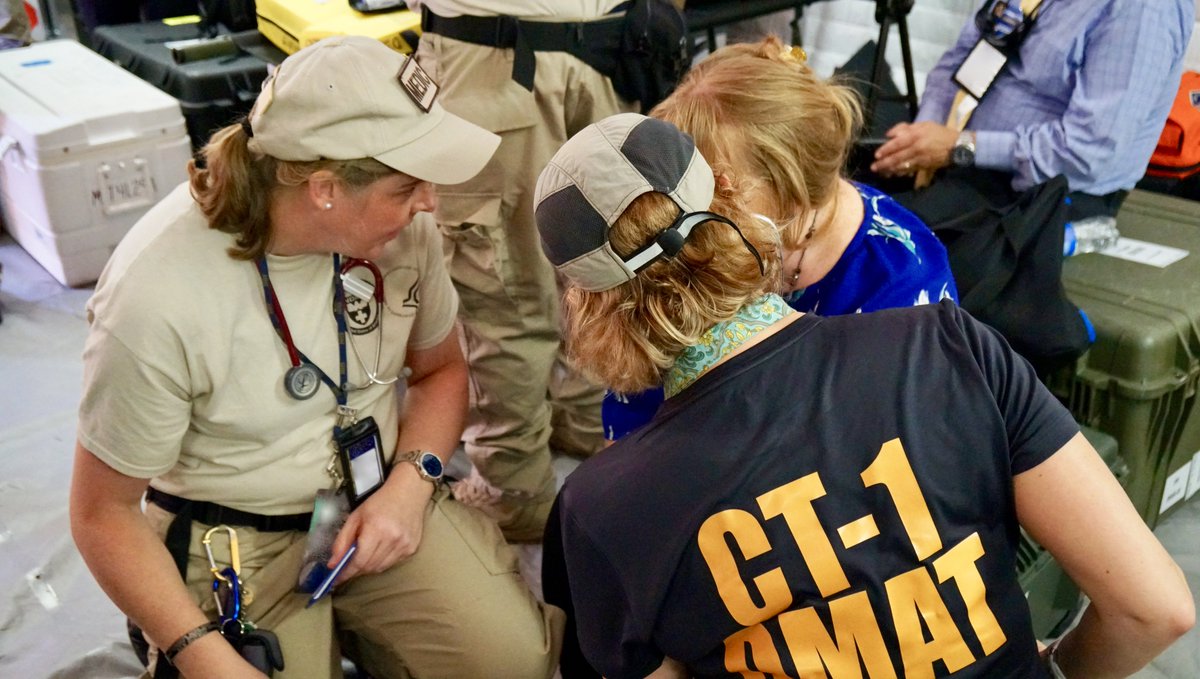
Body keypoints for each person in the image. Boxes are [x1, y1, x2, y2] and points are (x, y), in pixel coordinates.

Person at [536, 113, 1194, 678]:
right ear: (732, 203)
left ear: (586, 301)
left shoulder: (598, 511)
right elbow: (1156, 607)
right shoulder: (946, 344)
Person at [69, 36, 562, 679]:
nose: (429, 203)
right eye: (408, 185)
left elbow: (441, 371)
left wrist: (411, 486)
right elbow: (101, 514)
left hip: (375, 496)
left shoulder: (401, 232)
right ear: (325, 188)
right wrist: (202, 655)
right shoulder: (154, 296)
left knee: (510, 661)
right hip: (233, 541)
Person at [602, 37, 958, 442]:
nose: (688, 211)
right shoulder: (701, 227)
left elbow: (881, 452)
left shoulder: (903, 288)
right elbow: (635, 409)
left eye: (715, 191)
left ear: (789, 192)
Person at [402, 0, 643, 541]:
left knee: (505, 300)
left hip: (494, 68)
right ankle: (587, 422)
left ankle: (513, 492)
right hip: (604, 54)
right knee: (603, 262)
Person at [870, 0, 1193, 218]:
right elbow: (959, 63)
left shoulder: (1143, 9)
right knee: (843, 196)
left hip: (1041, 194)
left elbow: (1089, 151)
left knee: (875, 247)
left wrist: (957, 148)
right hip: (959, 160)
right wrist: (921, 136)